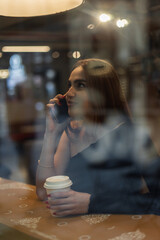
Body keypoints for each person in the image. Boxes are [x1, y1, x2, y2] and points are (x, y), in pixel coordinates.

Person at [36, 58, 160, 216]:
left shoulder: (132, 137)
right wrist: (50, 134)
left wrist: (92, 203)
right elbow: (42, 193)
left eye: (80, 85)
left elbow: (156, 200)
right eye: (69, 85)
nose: (68, 94)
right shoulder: (71, 134)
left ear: (102, 92)